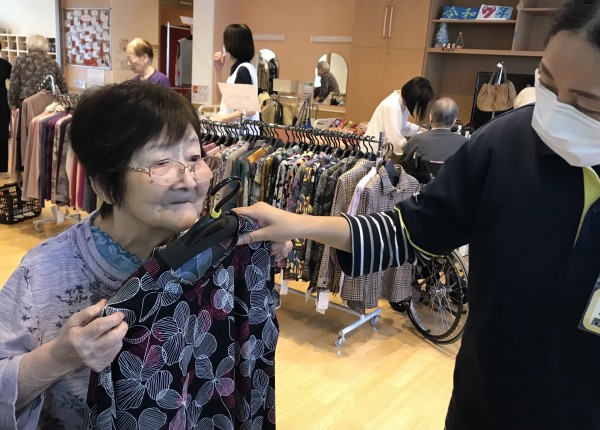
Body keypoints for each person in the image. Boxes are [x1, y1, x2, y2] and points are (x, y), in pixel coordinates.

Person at [234, 1, 600, 428]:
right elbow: (409, 229)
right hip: (484, 403)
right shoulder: (503, 144)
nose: (557, 112)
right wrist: (298, 223)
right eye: (547, 84)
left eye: (587, 104)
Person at [0, 81, 286, 429]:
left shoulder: (215, 250)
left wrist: (259, 255)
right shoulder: (45, 273)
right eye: (161, 162)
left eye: (194, 158)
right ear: (105, 185)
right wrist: (60, 356)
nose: (189, 180)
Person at [401, 97, 467, 183]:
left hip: (420, 188)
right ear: (454, 121)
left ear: (430, 117)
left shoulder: (415, 139)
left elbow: (402, 167)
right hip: (452, 189)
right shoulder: (464, 142)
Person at [364, 76, 434, 155]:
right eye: (419, 103)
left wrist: (420, 129)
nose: (418, 107)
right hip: (372, 150)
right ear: (413, 99)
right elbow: (395, 139)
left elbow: (402, 126)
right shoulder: (392, 105)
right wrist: (414, 148)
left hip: (379, 149)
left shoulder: (403, 101)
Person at [212, 23, 259, 122]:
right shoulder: (239, 69)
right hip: (235, 129)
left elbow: (250, 109)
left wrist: (222, 118)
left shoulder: (243, 70)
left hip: (241, 130)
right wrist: (218, 70)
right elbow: (221, 99)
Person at [8, 35, 68, 109]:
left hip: (25, 101)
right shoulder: (52, 63)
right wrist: (66, 100)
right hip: (46, 102)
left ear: (29, 46)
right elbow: (63, 85)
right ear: (45, 47)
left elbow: (14, 84)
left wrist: (12, 104)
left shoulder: (19, 61)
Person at [0, 41, 11, 177]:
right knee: (2, 136)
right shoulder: (5, 65)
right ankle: (2, 169)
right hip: (2, 105)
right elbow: (12, 83)